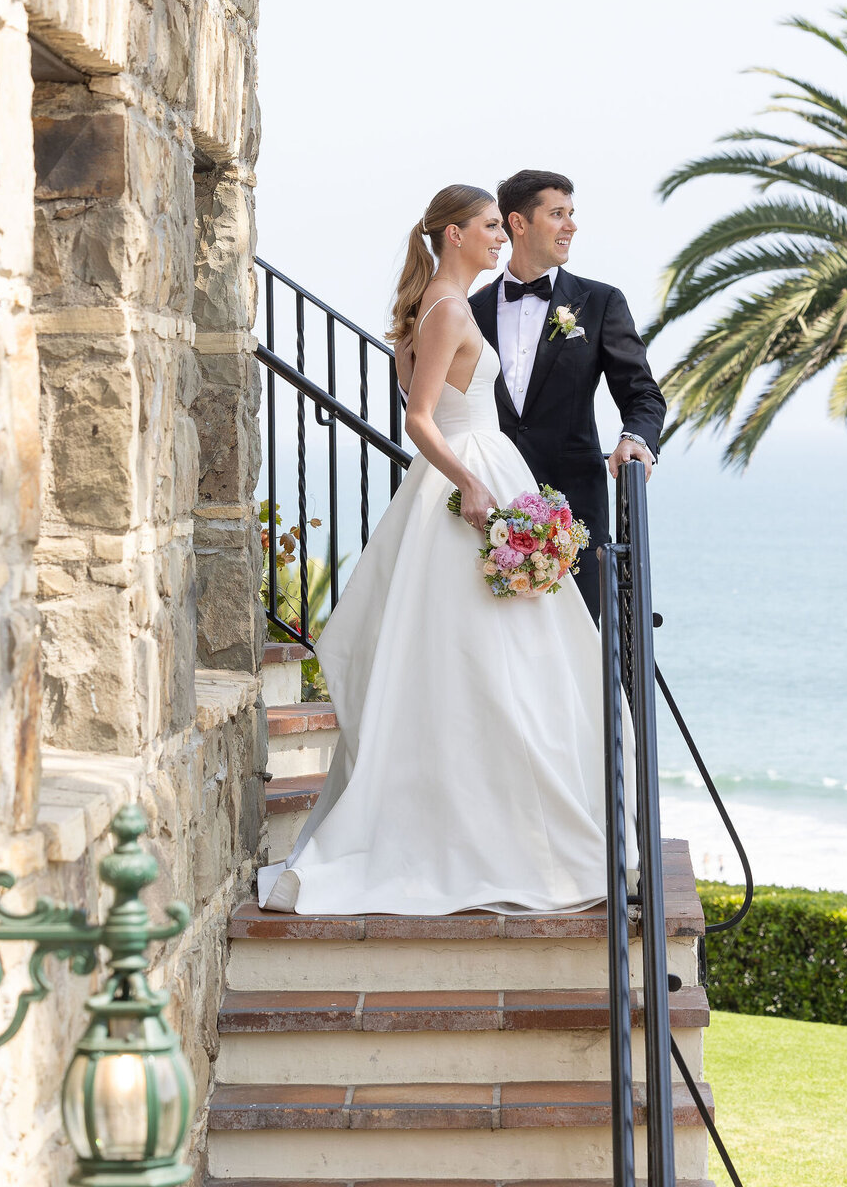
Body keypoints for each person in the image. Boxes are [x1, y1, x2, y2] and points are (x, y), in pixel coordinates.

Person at [257, 184, 633, 917]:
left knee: (493, 670)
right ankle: (501, 837)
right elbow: (419, 418)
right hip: (469, 484)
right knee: (499, 671)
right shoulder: (451, 308)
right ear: (455, 234)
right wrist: (471, 483)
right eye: (492, 227)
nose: (502, 238)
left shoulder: (436, 304)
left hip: (479, 476)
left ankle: (511, 826)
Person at [469, 170, 666, 622]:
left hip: (574, 512)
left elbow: (642, 393)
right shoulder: (470, 312)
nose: (571, 226)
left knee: (579, 642)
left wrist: (636, 437)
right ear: (518, 223)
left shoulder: (600, 302)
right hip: (490, 501)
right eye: (557, 214)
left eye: (571, 214)